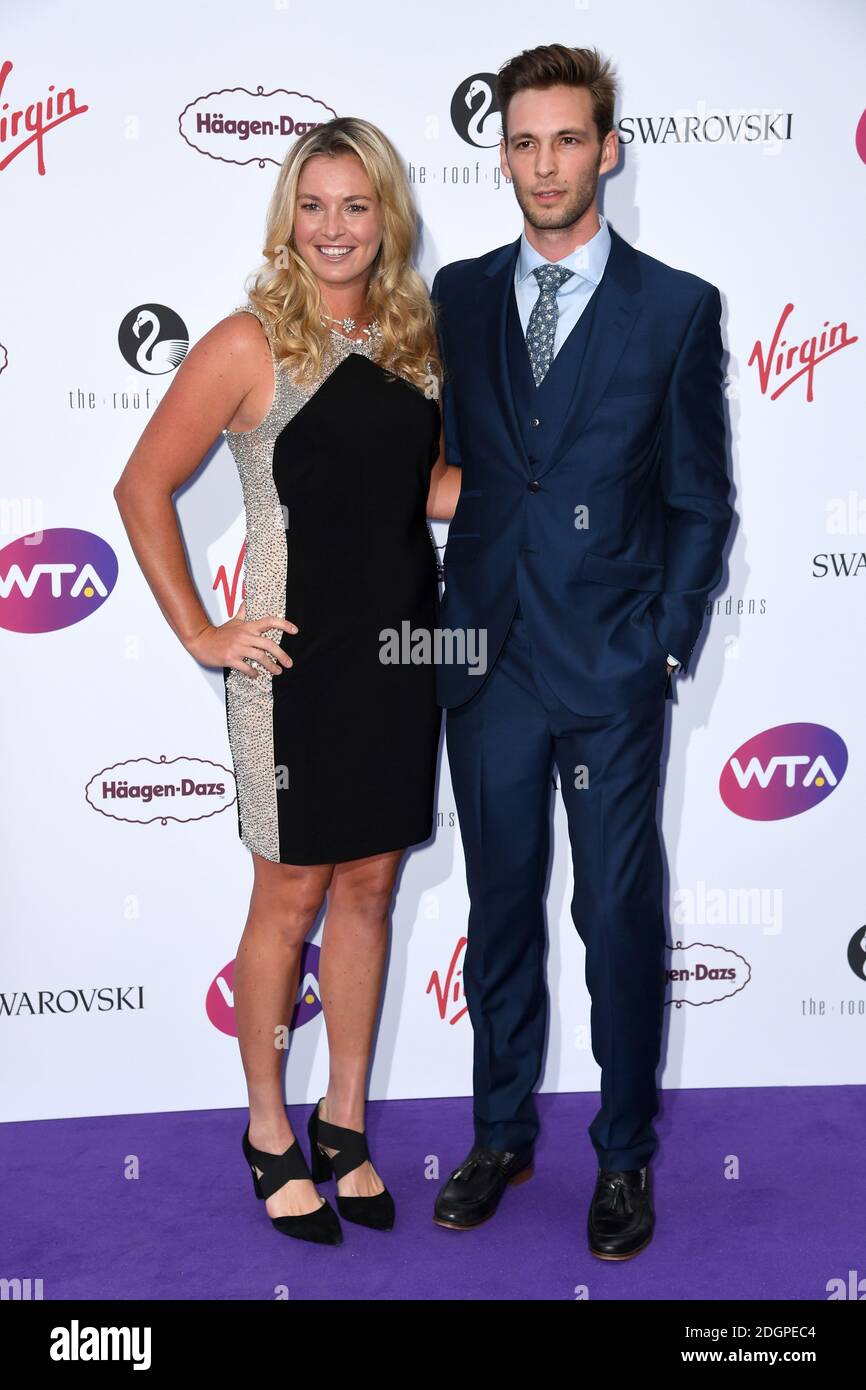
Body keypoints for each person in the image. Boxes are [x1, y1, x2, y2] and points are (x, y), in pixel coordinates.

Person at [114, 116, 460, 1246]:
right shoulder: (247, 342)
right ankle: (269, 1127)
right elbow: (140, 488)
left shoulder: (417, 336)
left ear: (386, 216)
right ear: (286, 219)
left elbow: (430, 486)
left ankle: (343, 1121)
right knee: (291, 897)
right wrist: (202, 631)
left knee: (369, 890)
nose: (333, 228)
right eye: (311, 206)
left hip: (402, 654)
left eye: (354, 205)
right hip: (291, 667)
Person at [429, 44, 733, 1258]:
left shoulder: (675, 306)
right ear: (499, 152)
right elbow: (446, 466)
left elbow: (700, 501)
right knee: (498, 910)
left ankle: (621, 1158)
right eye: (521, 140)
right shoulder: (453, 293)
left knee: (613, 914)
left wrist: (660, 642)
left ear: (605, 149)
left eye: (565, 139)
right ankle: (498, 1132)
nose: (542, 163)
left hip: (610, 668)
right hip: (486, 659)